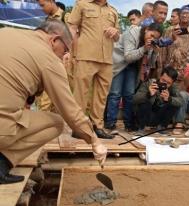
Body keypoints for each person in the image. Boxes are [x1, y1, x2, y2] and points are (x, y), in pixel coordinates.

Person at [0, 20, 106, 184]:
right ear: (54, 40)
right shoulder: (48, 58)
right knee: (56, 123)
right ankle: (2, 162)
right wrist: (94, 141)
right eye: (65, 50)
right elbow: (70, 110)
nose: (64, 56)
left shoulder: (6, 32)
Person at [67, 0, 119, 139]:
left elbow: (117, 37)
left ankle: (98, 127)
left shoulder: (113, 10)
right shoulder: (82, 4)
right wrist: (69, 51)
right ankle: (78, 127)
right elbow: (72, 28)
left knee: (102, 95)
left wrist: (115, 32)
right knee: (80, 93)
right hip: (85, 55)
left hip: (107, 59)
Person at [105, 23, 163, 131]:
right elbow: (128, 57)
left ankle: (128, 123)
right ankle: (110, 123)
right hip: (119, 63)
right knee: (115, 93)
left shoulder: (150, 43)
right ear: (146, 29)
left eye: (155, 38)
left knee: (129, 94)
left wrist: (155, 53)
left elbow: (150, 63)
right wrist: (145, 48)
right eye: (151, 35)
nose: (152, 39)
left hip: (132, 66)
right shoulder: (132, 33)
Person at [133, 67, 183, 135]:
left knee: (173, 103)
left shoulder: (173, 87)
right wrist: (148, 94)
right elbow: (135, 99)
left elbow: (181, 101)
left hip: (159, 116)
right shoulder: (149, 83)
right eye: (163, 80)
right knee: (145, 103)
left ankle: (162, 127)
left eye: (168, 83)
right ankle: (141, 128)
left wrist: (169, 99)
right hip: (145, 116)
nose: (164, 83)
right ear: (160, 76)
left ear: (172, 83)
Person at [161, 4, 189, 85]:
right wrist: (162, 67)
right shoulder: (169, 30)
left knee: (179, 95)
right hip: (168, 70)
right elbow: (163, 50)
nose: (185, 15)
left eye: (187, 13)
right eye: (183, 13)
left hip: (183, 72)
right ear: (179, 15)